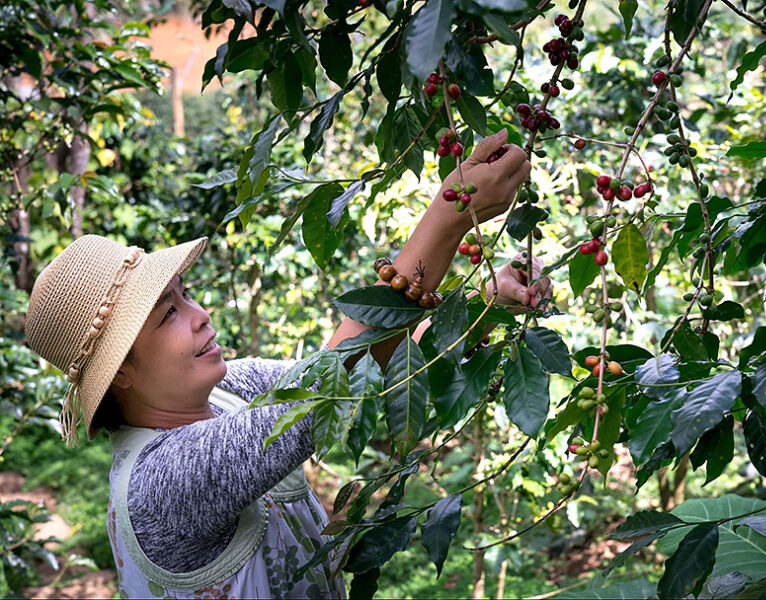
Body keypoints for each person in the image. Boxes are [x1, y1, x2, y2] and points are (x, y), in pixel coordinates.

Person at [23, 129, 551, 598]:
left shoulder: (230, 390)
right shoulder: (161, 484)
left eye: (185, 297)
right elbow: (324, 390)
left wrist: (482, 302)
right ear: (120, 373)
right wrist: (448, 215)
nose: (201, 316)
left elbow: (352, 365)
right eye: (167, 315)